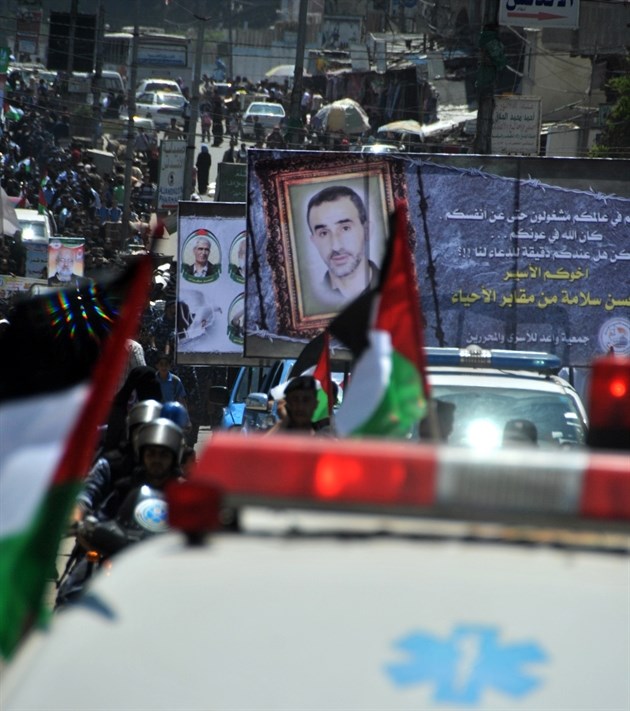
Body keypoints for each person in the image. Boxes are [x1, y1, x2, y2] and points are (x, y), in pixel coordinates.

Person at [306, 185, 380, 304]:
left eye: (345, 228)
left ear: (367, 231)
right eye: (324, 233)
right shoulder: (308, 302)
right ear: (314, 241)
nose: (336, 246)